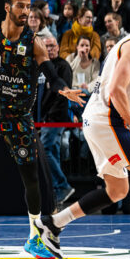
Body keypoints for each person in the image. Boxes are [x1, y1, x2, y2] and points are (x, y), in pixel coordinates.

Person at [36, 2, 130, 259]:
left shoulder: (128, 45)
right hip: (108, 121)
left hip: (98, 119)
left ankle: (52, 224)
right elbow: (115, 91)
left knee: (118, 190)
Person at [0, 0, 85, 258]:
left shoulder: (34, 42)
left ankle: (34, 238)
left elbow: (49, 71)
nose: (25, 12)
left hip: (18, 119)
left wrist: (62, 88)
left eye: (28, 7)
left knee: (31, 179)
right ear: (7, 7)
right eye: (20, 6)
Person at [40, 35, 76, 205]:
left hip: (56, 117)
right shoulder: (43, 66)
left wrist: (49, 116)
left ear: (58, 47)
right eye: (47, 46)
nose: (50, 49)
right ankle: (56, 192)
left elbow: (63, 95)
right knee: (52, 151)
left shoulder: (63, 66)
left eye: (53, 46)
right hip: (46, 116)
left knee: (45, 149)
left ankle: (62, 186)